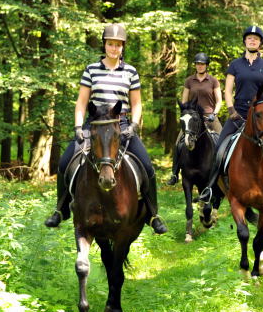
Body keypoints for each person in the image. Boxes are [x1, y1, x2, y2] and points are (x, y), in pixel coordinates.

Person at [45, 23, 167, 234]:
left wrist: (134, 125)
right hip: (95, 126)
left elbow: (136, 103)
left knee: (147, 166)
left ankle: (153, 214)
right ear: (105, 45)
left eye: (118, 45)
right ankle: (61, 209)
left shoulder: (131, 72)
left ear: (123, 47)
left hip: (121, 126)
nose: (114, 48)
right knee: (65, 162)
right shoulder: (91, 70)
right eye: (110, 44)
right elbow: (82, 102)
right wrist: (77, 126)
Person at [200, 25, 263, 201]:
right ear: (245, 41)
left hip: (261, 115)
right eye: (249, 38)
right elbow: (228, 91)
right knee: (219, 149)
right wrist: (231, 110)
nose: (252, 40)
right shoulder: (235, 65)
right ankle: (210, 189)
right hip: (238, 112)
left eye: (256, 38)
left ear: (260, 43)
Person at [166, 52, 222, 185]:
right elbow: (184, 101)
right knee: (178, 143)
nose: (200, 66)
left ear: (206, 65)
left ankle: (224, 174)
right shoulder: (189, 81)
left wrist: (214, 114)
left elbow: (219, 101)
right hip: (192, 118)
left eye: (202, 64)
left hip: (209, 117)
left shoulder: (213, 81)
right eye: (198, 64)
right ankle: (174, 174)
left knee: (223, 142)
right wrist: (185, 113)